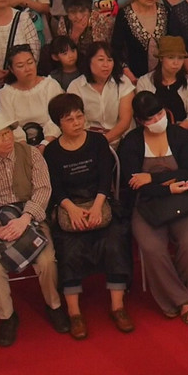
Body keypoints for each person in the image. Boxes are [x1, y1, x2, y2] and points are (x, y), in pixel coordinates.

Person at [0, 109, 69, 346]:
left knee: (46, 261)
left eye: (8, 133)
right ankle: (7, 317)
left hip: (30, 215)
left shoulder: (31, 154)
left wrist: (25, 218)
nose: (6, 139)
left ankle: (53, 305)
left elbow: (43, 189)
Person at [44, 92, 133, 339]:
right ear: (58, 123)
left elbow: (106, 178)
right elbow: (54, 187)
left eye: (79, 116)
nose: (77, 122)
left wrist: (96, 207)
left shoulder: (97, 142)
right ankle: (74, 313)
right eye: (69, 119)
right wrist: (70, 208)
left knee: (115, 239)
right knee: (68, 247)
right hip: (68, 204)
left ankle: (118, 307)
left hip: (99, 201)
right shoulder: (51, 151)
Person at [119, 91, 188, 322]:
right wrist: (166, 186)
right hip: (146, 204)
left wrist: (151, 178)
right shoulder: (132, 142)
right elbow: (135, 183)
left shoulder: (179, 136)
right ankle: (182, 301)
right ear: (139, 121)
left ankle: (181, 298)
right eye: (150, 119)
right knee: (152, 248)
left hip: (182, 200)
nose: (157, 121)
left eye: (159, 114)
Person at [67, 41, 135, 145]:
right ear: (89, 61)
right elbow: (76, 121)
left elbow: (125, 122)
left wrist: (103, 141)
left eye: (110, 60)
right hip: (89, 140)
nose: (106, 65)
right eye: (101, 60)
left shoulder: (123, 82)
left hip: (121, 138)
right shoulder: (76, 86)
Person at [0, 45, 62, 145]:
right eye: (20, 66)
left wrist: (45, 143)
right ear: (11, 69)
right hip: (20, 145)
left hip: (52, 141)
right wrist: (25, 148)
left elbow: (57, 118)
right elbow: (10, 125)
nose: (27, 69)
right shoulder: (5, 93)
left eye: (30, 63)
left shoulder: (50, 85)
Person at [112, 0, 168, 80]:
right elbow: (116, 49)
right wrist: (129, 75)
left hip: (164, 77)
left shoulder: (165, 11)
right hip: (134, 77)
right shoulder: (124, 14)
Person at [136, 36, 188, 131]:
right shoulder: (144, 81)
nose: (176, 63)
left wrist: (177, 130)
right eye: (171, 57)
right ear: (161, 58)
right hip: (153, 132)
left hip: (183, 132)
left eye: (180, 58)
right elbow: (143, 114)